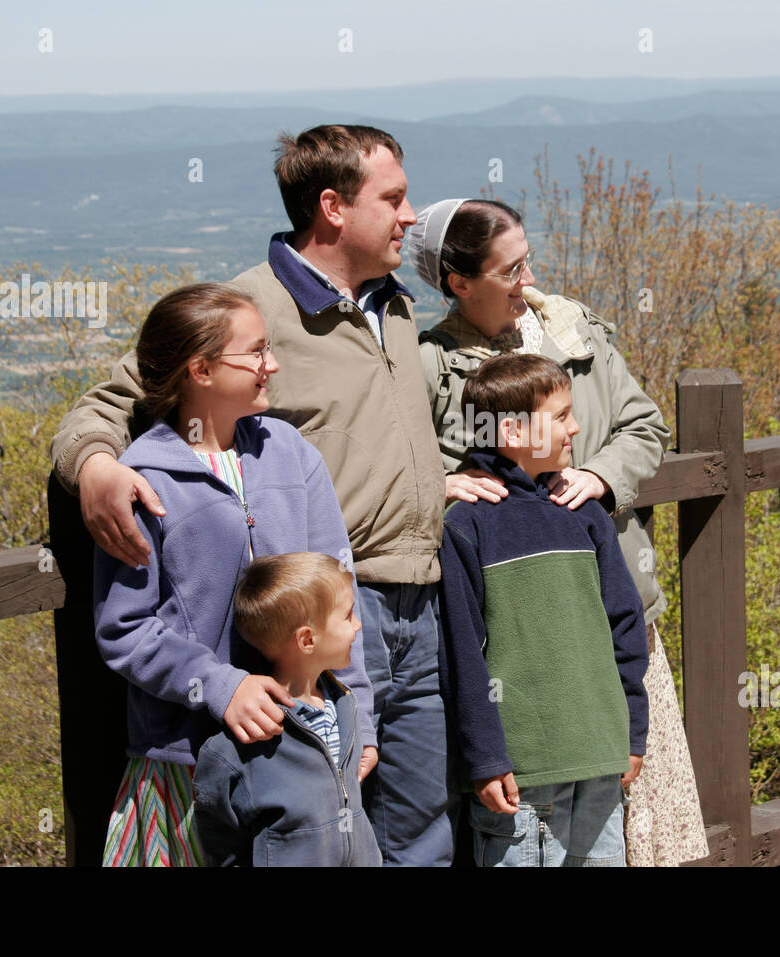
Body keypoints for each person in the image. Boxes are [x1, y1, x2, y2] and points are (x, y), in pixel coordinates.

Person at [52, 125, 453, 866]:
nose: (409, 215)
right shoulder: (247, 308)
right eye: (394, 198)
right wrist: (97, 466)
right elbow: (117, 398)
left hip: (415, 606)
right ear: (333, 206)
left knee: (419, 832)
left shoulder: (395, 303)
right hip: (319, 617)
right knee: (308, 829)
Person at [407, 198, 707, 865]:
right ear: (460, 282)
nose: (528, 278)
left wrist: (600, 475)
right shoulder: (429, 363)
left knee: (623, 824)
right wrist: (436, 484)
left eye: (527, 261)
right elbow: (398, 456)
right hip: (511, 635)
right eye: (510, 268)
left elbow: (644, 426)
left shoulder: (574, 334)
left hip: (600, 605)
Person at [92, 283, 374, 866]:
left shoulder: (291, 454)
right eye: (256, 353)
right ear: (200, 369)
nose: (272, 365)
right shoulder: (145, 479)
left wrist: (359, 714)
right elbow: (125, 629)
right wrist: (220, 687)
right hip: (187, 763)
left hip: (301, 751)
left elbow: (340, 592)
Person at [438, 353, 648, 866]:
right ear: (511, 431)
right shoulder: (466, 526)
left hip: (600, 756)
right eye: (559, 417)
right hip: (522, 774)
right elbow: (463, 655)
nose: (575, 427)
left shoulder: (585, 515)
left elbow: (625, 624)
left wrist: (632, 730)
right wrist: (485, 759)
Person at [194, 553, 382, 867]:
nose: (358, 625)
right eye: (348, 615)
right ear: (307, 639)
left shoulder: (345, 707)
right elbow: (220, 836)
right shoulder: (246, 742)